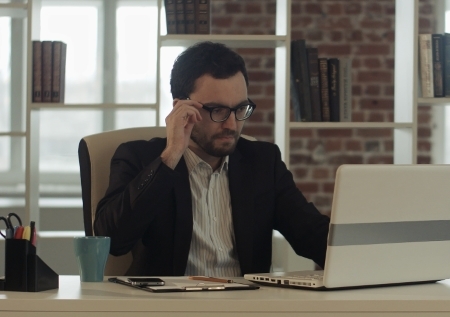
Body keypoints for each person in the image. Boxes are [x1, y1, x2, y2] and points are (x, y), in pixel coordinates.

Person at [94, 42, 330, 277]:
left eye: (240, 109)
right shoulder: (139, 158)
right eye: (217, 110)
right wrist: (171, 155)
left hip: (247, 306)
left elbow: (311, 234)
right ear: (181, 107)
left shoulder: (262, 162)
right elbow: (112, 241)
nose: (232, 124)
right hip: (169, 307)